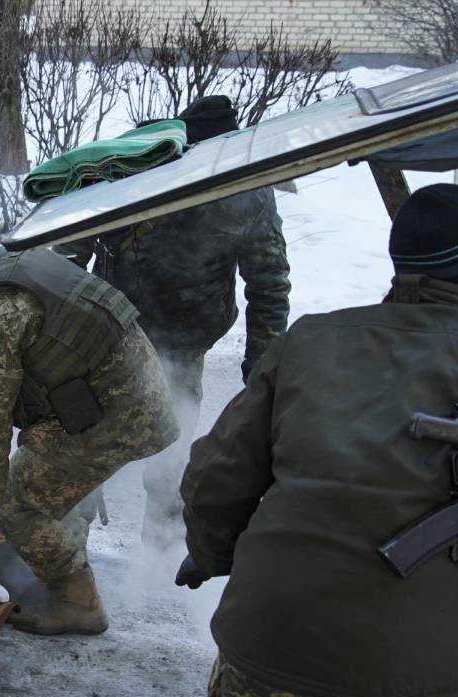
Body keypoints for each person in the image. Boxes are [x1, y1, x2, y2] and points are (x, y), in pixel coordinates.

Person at [175, 183, 458, 697]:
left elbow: (215, 477)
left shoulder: (309, 340)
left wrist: (212, 554)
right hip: (416, 665)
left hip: (273, 631)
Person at [0, 215, 179, 635]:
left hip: (114, 417)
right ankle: (62, 548)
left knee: (13, 505)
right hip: (140, 397)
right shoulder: (22, 261)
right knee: (42, 467)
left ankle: (77, 603)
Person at [55, 95, 290, 547]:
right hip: (112, 335)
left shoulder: (247, 190)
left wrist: (261, 364)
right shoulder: (138, 170)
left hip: (185, 342)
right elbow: (71, 246)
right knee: (86, 445)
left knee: (171, 450)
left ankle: (160, 560)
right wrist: (66, 329)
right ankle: (64, 551)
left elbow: (268, 282)